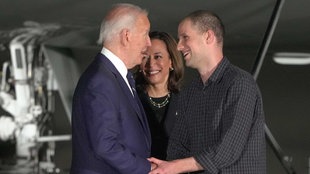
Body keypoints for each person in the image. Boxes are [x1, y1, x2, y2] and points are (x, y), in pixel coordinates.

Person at [149, 10, 266, 174]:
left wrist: (176, 166)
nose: (179, 46)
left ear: (208, 36)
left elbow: (228, 149)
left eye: (185, 37)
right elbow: (178, 146)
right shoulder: (189, 93)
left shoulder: (240, 83)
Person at [70, 3, 157, 174]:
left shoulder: (111, 76)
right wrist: (149, 169)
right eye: (145, 34)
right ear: (126, 36)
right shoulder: (101, 81)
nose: (148, 43)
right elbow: (105, 146)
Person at [135, 31, 184, 160]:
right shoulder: (129, 100)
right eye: (145, 57)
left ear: (171, 62)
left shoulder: (187, 103)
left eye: (158, 57)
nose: (151, 64)